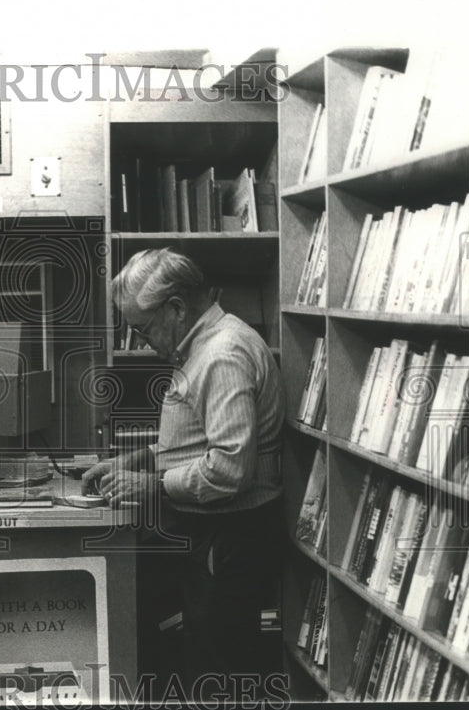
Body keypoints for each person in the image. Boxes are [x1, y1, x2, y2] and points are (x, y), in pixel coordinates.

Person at [83, 247, 285, 700]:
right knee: (200, 659)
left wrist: (150, 485)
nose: (141, 339)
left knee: (217, 671)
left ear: (176, 308)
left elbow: (229, 469)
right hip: (215, 535)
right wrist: (134, 460)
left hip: (229, 536)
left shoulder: (221, 355)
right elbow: (197, 440)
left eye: (142, 328)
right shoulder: (203, 346)